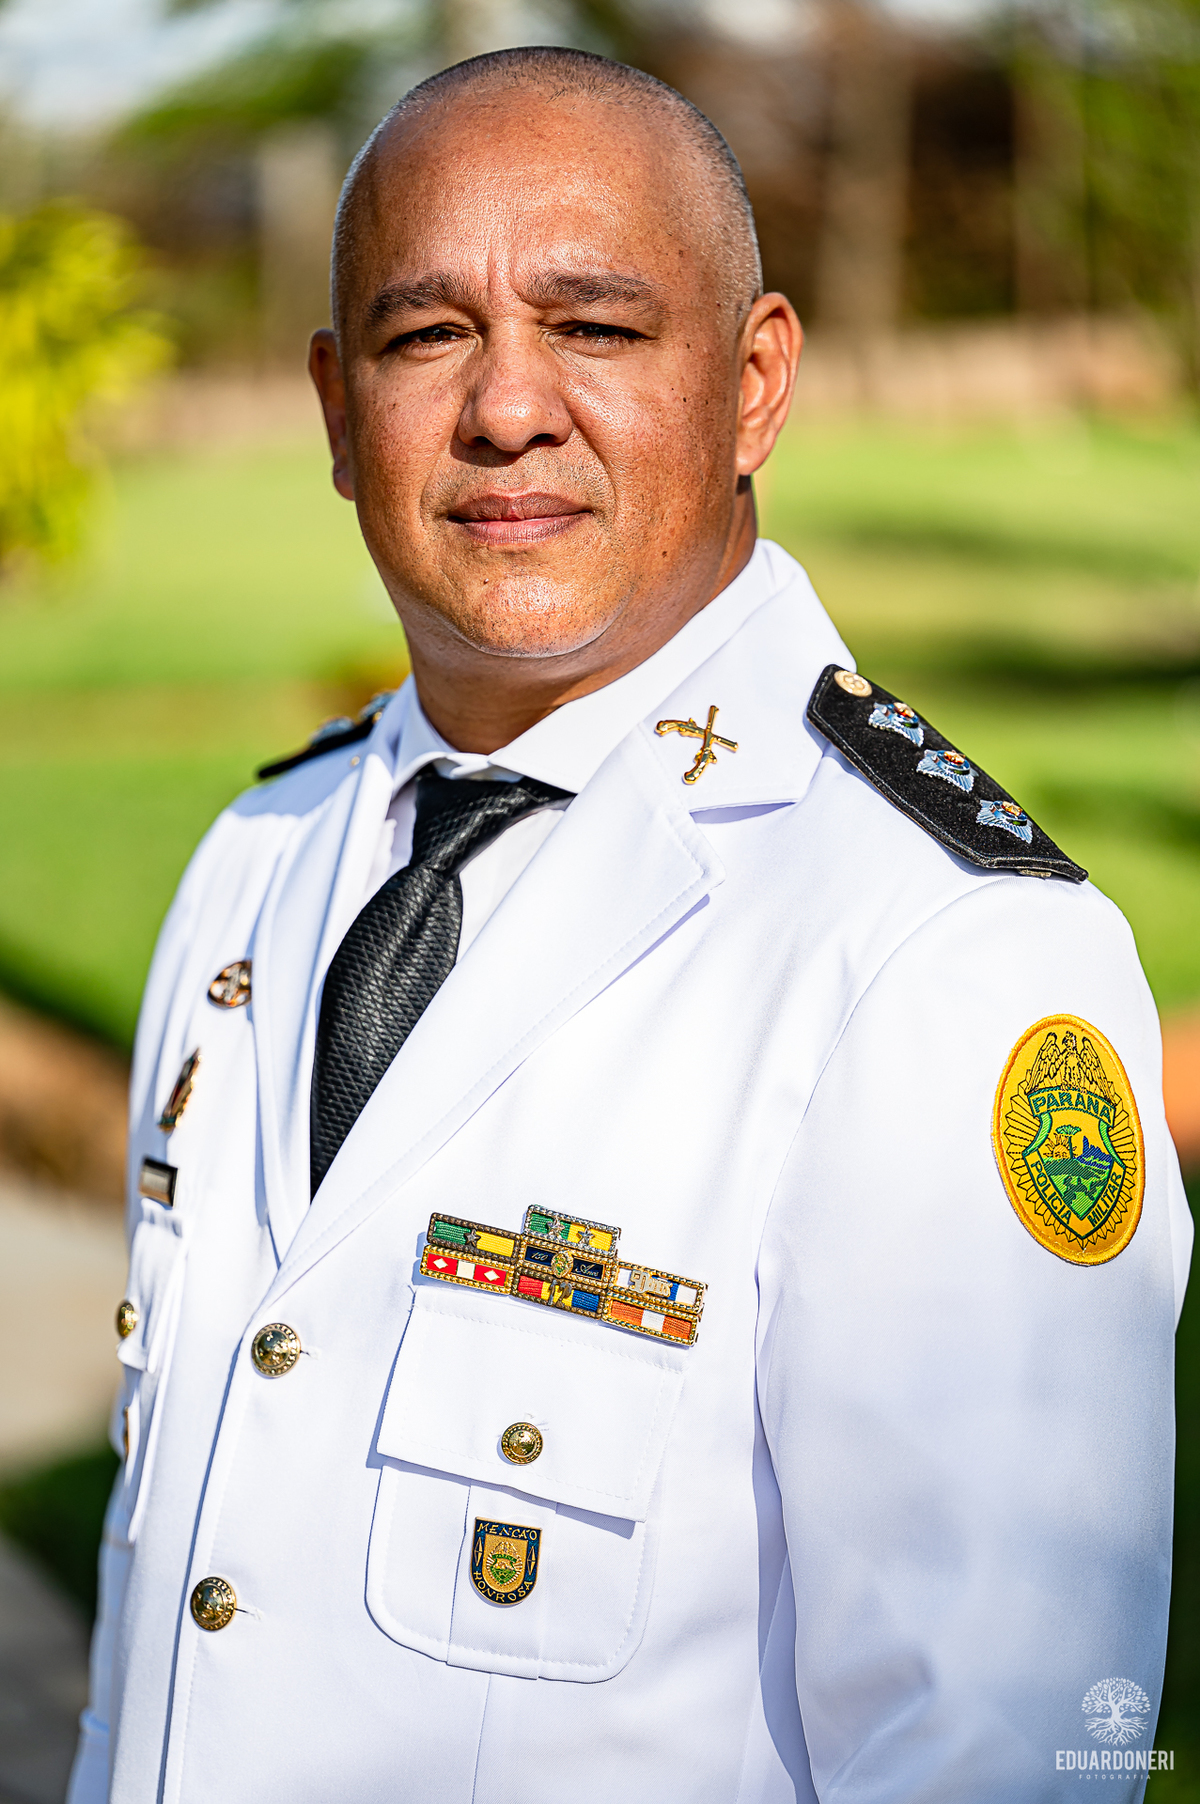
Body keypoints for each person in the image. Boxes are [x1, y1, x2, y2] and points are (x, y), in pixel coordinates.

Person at [70, 47, 1191, 1804]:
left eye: (595, 328)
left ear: (753, 386)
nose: (508, 407)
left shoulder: (931, 947)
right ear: (332, 409)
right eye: (424, 334)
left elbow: (1000, 1753)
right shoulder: (260, 857)